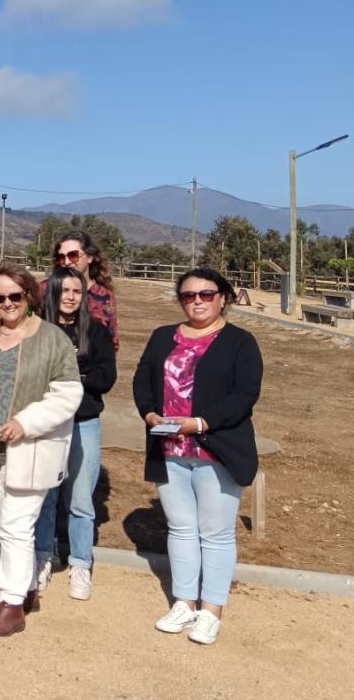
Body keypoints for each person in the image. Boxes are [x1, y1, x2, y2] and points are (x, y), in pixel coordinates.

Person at [0, 262, 82, 636]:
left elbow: (67, 392)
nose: (7, 303)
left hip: (33, 448)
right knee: (6, 522)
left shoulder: (52, 338)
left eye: (15, 296)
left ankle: (11, 604)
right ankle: (26, 590)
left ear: (29, 296)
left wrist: (26, 422)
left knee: (16, 525)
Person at [133, 268, 262, 646]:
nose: (198, 301)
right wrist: (149, 414)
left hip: (216, 450)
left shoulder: (240, 342)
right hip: (169, 449)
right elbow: (143, 379)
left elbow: (244, 395)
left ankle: (211, 611)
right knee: (181, 528)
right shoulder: (162, 337)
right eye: (189, 295)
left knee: (217, 534)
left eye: (207, 294)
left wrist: (201, 424)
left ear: (223, 297)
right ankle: (184, 602)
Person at [33, 265, 117, 600]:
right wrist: (79, 374)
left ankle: (81, 563)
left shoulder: (96, 333)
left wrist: (68, 379)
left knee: (81, 498)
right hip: (47, 423)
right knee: (46, 494)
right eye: (64, 290)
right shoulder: (37, 330)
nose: (70, 297)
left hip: (84, 423)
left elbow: (105, 378)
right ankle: (43, 555)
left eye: (77, 291)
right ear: (52, 292)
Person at [49, 229, 118, 351]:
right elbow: (27, 318)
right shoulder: (45, 289)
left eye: (73, 255)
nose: (67, 262)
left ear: (90, 257)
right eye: (61, 257)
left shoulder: (104, 296)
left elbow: (112, 340)